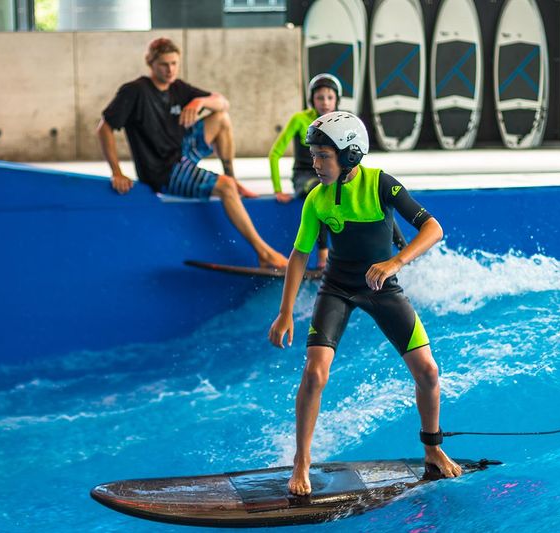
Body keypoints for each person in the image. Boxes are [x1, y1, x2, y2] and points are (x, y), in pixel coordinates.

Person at [267, 111, 462, 496]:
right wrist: (286, 311)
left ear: (351, 155)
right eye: (314, 155)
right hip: (337, 287)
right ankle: (301, 461)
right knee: (314, 373)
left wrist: (394, 263)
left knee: (427, 371)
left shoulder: (380, 184)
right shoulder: (316, 200)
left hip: (382, 286)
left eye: (324, 155)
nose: (316, 164)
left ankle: (433, 449)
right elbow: (299, 256)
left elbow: (433, 228)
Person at [97, 37, 288, 268]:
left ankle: (234, 180)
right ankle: (264, 253)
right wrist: (117, 172)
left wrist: (199, 102)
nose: (170, 70)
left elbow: (222, 102)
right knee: (224, 187)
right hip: (163, 171)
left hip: (181, 153)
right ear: (150, 64)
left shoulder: (178, 88)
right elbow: (104, 127)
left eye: (174, 64)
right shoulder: (135, 91)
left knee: (221, 118)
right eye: (164, 65)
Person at [268, 74, 405, 270]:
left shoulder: (342, 120)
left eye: (330, 98)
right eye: (319, 98)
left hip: (335, 174)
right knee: (323, 190)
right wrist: (277, 188)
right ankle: (323, 257)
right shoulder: (300, 119)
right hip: (306, 176)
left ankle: (402, 249)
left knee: (377, 196)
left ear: (337, 100)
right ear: (311, 99)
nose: (325, 102)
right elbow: (275, 153)